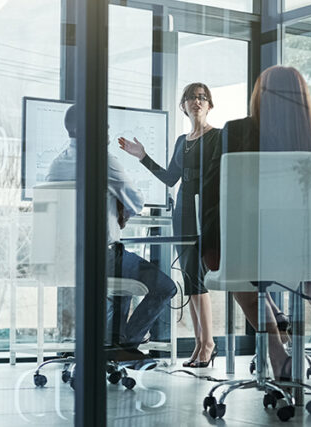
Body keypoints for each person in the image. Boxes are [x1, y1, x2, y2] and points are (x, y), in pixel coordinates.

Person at [199, 65, 311, 379]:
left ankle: (276, 351)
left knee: (235, 261)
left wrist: (209, 239)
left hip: (243, 250)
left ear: (260, 96)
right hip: (298, 255)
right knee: (257, 265)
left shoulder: (236, 130)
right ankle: (287, 323)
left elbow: (213, 191)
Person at [46, 104, 179, 361]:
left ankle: (112, 346)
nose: (107, 128)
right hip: (103, 258)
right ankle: (125, 345)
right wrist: (123, 214)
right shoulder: (104, 161)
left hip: (66, 259)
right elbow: (136, 202)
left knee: (123, 277)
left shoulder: (55, 164)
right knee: (166, 287)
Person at [118, 82, 220, 368]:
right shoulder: (180, 140)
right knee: (189, 277)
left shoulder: (219, 137)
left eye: (202, 98)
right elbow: (170, 178)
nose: (196, 102)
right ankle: (201, 343)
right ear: (184, 106)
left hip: (207, 211)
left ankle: (208, 343)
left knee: (198, 276)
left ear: (209, 105)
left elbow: (221, 176)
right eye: (191, 98)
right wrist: (143, 157)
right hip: (184, 209)